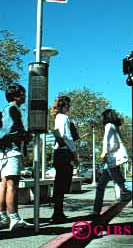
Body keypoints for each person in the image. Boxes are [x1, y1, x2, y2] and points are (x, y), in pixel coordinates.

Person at [0, 84, 32, 231]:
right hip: (11, 151)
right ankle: (14, 219)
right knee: (12, 185)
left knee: (4, 184)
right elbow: (11, 132)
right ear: (16, 96)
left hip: (1, 152)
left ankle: (3, 217)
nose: (25, 96)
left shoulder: (4, 110)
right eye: (23, 94)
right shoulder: (13, 109)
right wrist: (26, 135)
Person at [92, 109, 131, 217]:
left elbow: (112, 144)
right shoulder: (114, 126)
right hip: (112, 160)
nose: (101, 119)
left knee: (119, 182)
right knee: (102, 185)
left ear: (106, 117)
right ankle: (96, 210)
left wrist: (104, 153)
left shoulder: (109, 126)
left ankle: (132, 192)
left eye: (102, 117)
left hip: (113, 158)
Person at [50, 95, 80, 223]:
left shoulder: (58, 118)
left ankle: (58, 212)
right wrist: (75, 154)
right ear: (64, 105)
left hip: (58, 153)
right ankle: (57, 213)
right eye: (68, 104)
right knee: (62, 184)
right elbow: (66, 137)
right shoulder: (64, 117)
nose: (70, 107)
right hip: (64, 153)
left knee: (59, 184)